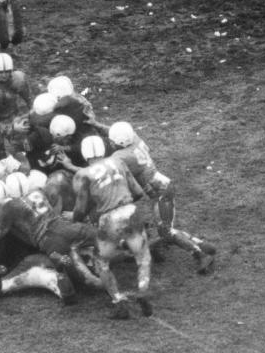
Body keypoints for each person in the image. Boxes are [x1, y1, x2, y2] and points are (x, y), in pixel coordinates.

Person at [108, 121, 216, 275]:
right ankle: (202, 244)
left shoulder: (120, 157)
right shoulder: (135, 140)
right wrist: (99, 125)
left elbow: (107, 166)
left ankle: (201, 254)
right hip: (163, 187)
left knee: (166, 231)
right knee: (165, 230)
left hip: (161, 194)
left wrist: (72, 166)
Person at [73, 135, 152, 320]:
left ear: (84, 154)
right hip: (130, 211)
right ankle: (143, 290)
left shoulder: (83, 175)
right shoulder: (118, 161)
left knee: (101, 262)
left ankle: (118, 302)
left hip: (109, 220)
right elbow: (138, 192)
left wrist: (75, 218)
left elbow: (80, 209)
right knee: (142, 256)